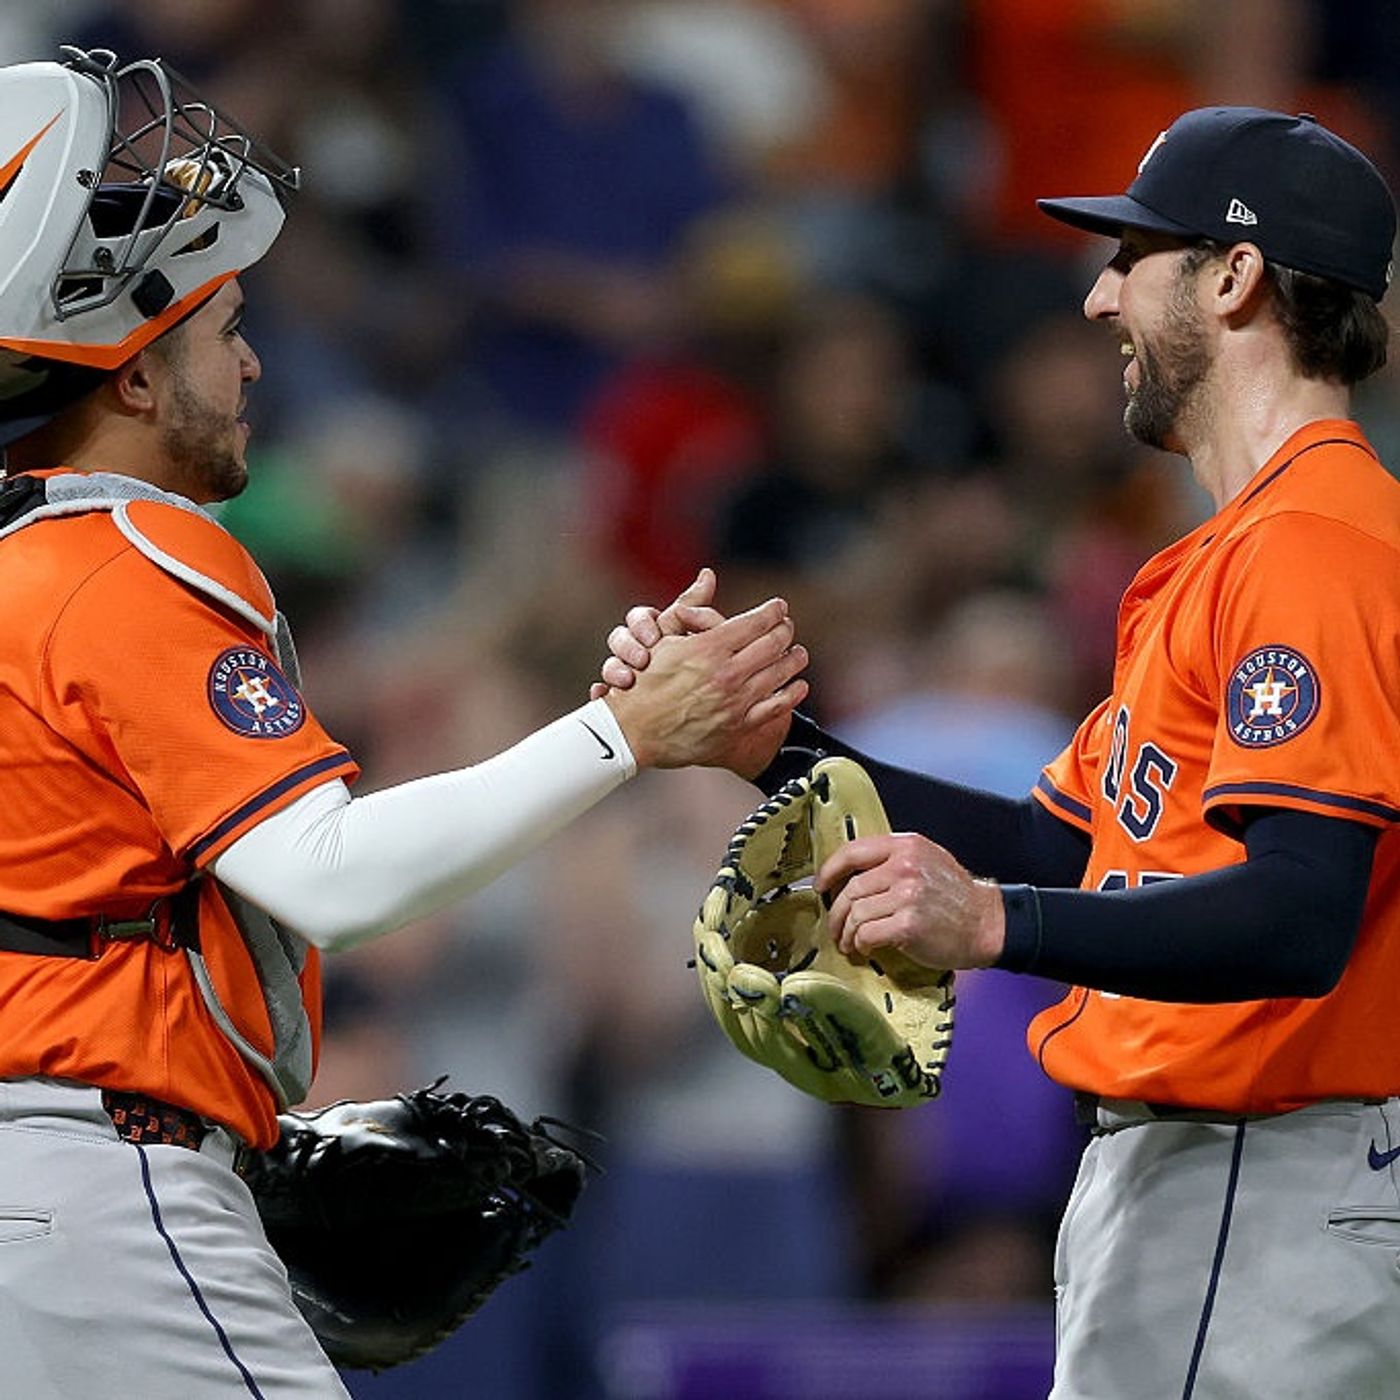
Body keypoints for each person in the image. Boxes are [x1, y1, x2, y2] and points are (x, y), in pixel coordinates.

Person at [0, 48, 807, 1400]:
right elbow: (334, 877)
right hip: (100, 1184)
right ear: (132, 377)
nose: (252, 361)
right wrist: (623, 731)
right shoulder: (127, 556)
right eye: (221, 326)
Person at [600, 106, 1400, 1399]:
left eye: (1131, 258)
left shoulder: (1313, 549)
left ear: (1236, 277)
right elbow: (1066, 846)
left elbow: (1303, 918)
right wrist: (766, 748)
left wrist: (987, 926)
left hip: (1261, 1174)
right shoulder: (1237, 554)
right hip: (1222, 1186)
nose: (1097, 300)